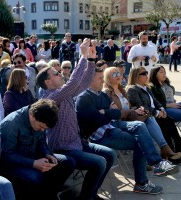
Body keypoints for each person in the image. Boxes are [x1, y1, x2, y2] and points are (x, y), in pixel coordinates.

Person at [75, 67, 178, 194]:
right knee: (141, 142)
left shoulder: (101, 95)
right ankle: (143, 181)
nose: (102, 81)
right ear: (89, 80)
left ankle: (156, 165)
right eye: (100, 78)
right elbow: (96, 120)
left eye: (103, 77)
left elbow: (116, 112)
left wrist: (106, 112)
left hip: (113, 125)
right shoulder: (83, 98)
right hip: (100, 134)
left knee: (140, 127)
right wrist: (109, 113)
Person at [37, 38, 115, 200]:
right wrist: (83, 56)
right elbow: (73, 83)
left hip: (78, 143)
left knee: (109, 154)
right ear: (47, 81)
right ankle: (87, 197)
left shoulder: (62, 92)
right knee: (100, 162)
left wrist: (92, 60)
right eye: (56, 73)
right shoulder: (50, 96)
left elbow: (84, 82)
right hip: (63, 149)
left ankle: (90, 193)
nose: (60, 74)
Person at [103, 67, 181, 163]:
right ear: (107, 77)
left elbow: (135, 106)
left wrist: (139, 110)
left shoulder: (122, 90)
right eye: (114, 74)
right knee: (146, 123)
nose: (118, 76)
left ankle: (167, 148)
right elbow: (116, 113)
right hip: (118, 122)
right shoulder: (107, 93)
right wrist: (141, 111)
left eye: (119, 73)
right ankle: (160, 154)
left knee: (153, 118)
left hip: (130, 117)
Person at [0, 99, 75, 200]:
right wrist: (33, 163)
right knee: (37, 177)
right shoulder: (11, 124)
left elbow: (41, 142)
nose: (42, 130)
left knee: (69, 162)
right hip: (15, 165)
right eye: (41, 127)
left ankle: (50, 193)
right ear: (32, 116)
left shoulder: (40, 119)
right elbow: (6, 156)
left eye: (45, 128)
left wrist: (47, 154)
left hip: (33, 157)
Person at [126, 67, 181, 157]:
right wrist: (156, 112)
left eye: (146, 73)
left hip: (154, 113)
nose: (146, 75)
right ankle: (169, 151)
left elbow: (155, 101)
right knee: (163, 122)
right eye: (143, 74)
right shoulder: (132, 89)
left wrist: (161, 109)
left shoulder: (146, 87)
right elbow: (140, 106)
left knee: (169, 120)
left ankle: (179, 146)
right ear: (135, 76)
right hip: (146, 116)